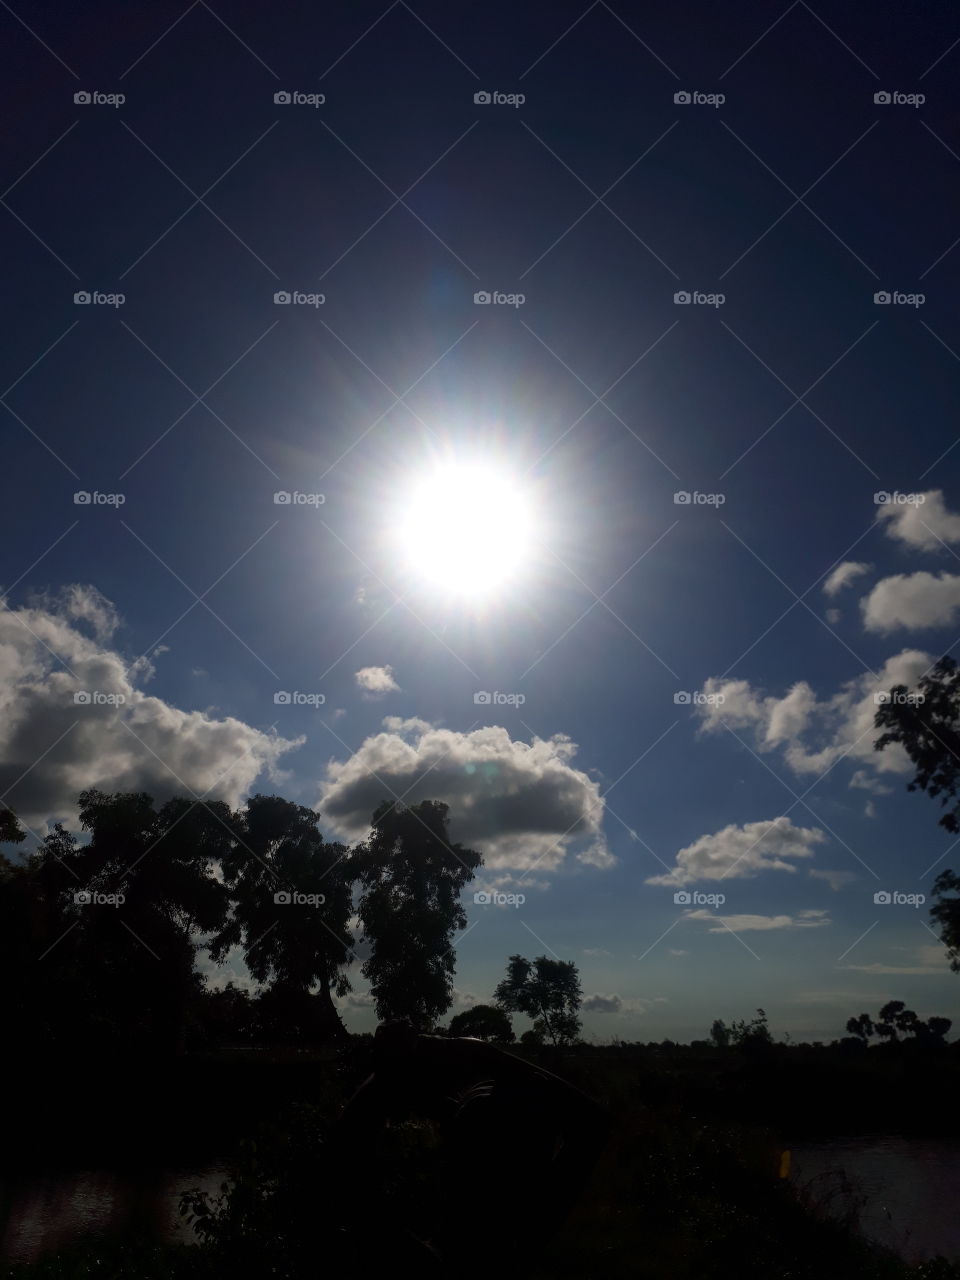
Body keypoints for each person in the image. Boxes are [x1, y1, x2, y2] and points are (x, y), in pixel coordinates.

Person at [327, 1023, 611, 1272]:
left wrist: (389, 1075)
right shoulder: (524, 1240)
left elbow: (344, 1165)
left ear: (450, 1163)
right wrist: (485, 1055)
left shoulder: (416, 1259)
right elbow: (593, 1123)